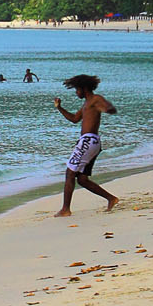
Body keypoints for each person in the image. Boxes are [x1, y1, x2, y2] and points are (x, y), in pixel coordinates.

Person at [53, 74, 119, 217]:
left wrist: (107, 109)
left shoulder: (95, 99)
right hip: (90, 142)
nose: (76, 93)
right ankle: (111, 199)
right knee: (82, 179)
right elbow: (75, 119)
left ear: (84, 88)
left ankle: (65, 209)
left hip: (88, 141)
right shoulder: (86, 103)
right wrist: (60, 108)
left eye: (77, 89)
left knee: (70, 173)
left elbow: (110, 108)